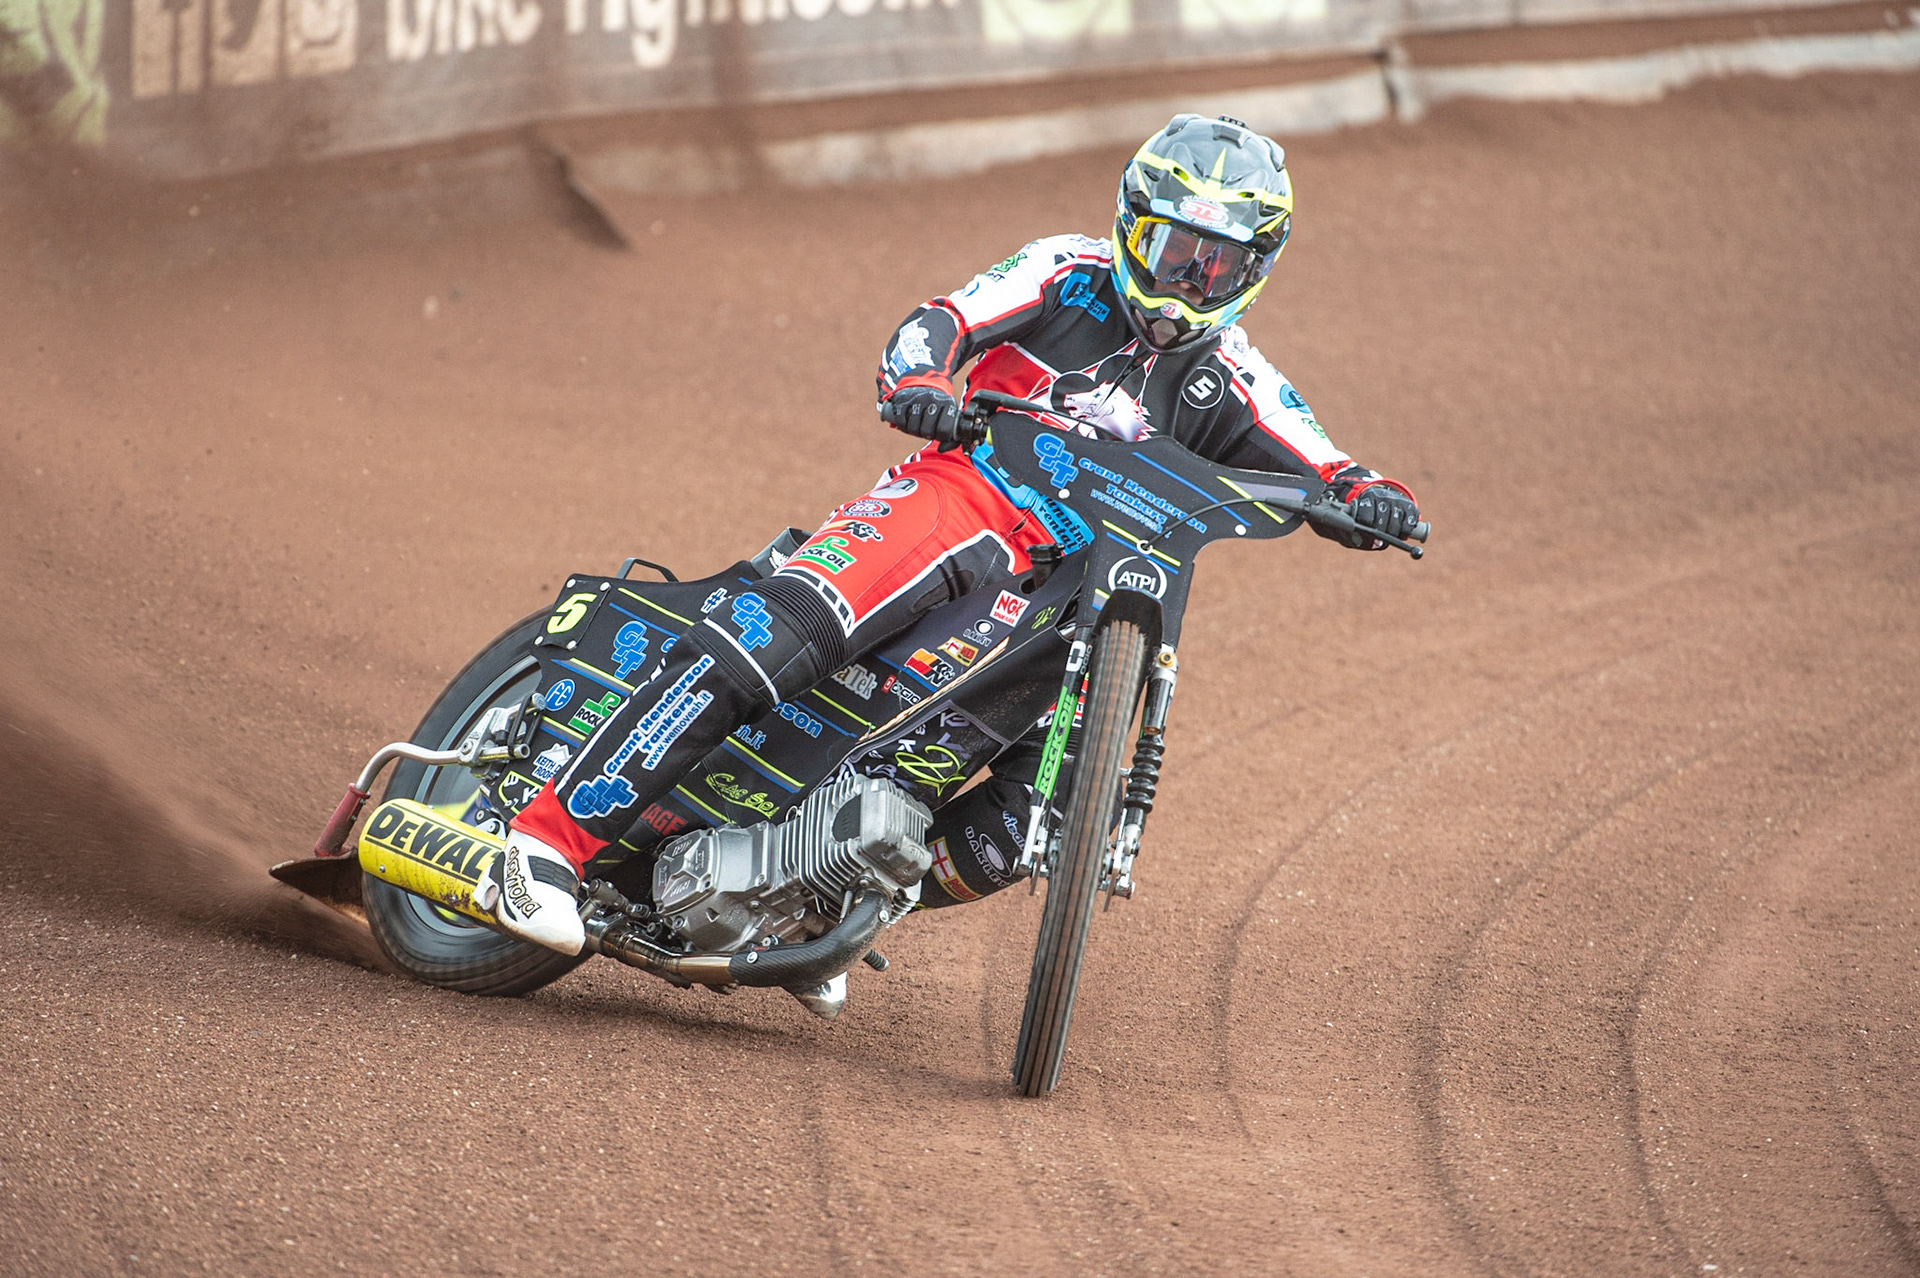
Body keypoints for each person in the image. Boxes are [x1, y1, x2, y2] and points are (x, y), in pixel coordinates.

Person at [478, 113, 1420, 954]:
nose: (1189, 278)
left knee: (1025, 831)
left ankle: (811, 903)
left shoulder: (1236, 374)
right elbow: (943, 321)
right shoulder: (1067, 270)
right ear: (1133, 228)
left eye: (1214, 262)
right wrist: (923, 383)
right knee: (783, 630)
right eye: (1173, 249)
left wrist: (1377, 499)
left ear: (1253, 270)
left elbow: (1331, 465)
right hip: (967, 493)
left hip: (1086, 583)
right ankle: (544, 846)